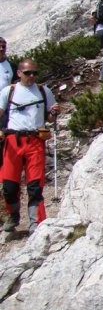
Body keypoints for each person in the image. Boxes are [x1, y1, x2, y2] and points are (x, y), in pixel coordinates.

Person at [0, 59, 60, 234]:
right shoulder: (8, 91)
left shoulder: (44, 91)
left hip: (35, 140)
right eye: (28, 73)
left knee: (35, 184)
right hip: (13, 140)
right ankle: (13, 216)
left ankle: (37, 223)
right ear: (19, 73)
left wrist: (54, 112)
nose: (32, 76)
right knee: (9, 186)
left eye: (34, 72)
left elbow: (49, 117)